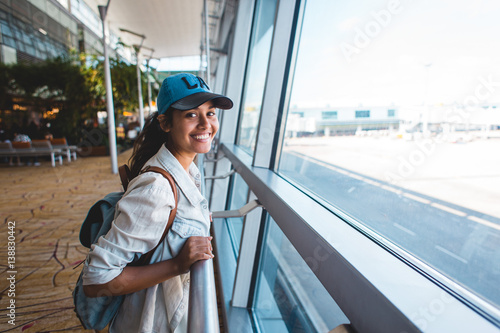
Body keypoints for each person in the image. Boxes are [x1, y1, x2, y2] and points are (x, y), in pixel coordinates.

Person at [81, 73, 233, 333]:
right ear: (165, 123)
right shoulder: (156, 188)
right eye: (191, 115)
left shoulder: (188, 170)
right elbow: (96, 280)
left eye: (210, 113)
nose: (205, 124)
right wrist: (176, 265)